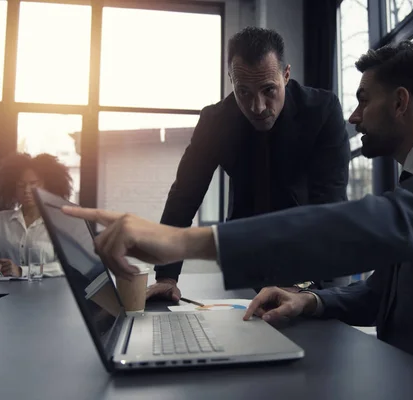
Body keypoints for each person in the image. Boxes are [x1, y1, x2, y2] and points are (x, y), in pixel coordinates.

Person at [61, 39, 413, 398]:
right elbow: (382, 291)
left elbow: (376, 221)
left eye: (364, 99)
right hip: (412, 377)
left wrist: (183, 241)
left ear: (400, 102)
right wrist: (311, 302)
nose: (354, 117)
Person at [148, 26, 352, 301]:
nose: (257, 106)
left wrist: (305, 285)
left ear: (286, 75)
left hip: (318, 254)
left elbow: (330, 203)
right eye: (243, 92)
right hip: (249, 252)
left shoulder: (322, 111)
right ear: (231, 80)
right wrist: (167, 276)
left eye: (269, 90)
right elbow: (184, 197)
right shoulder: (215, 121)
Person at [0, 153, 72, 278]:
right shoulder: (1, 220)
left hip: (47, 294)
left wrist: (22, 271)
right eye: (21, 185)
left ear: (47, 187)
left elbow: (65, 266)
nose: (26, 190)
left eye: (33, 184)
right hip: (6, 293)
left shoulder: (60, 223)